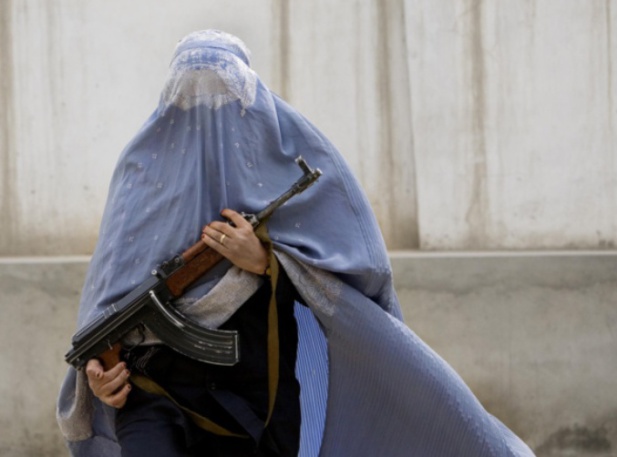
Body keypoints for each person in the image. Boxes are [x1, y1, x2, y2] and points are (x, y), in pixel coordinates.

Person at [57, 30, 536, 457]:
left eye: (222, 95)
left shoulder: (288, 161)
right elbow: (106, 300)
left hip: (259, 396)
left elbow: (356, 272)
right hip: (154, 393)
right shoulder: (140, 172)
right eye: (193, 97)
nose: (208, 118)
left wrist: (265, 261)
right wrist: (99, 376)